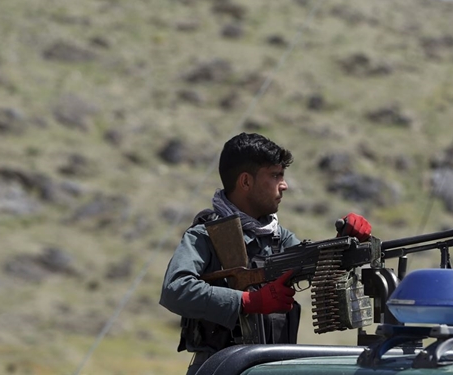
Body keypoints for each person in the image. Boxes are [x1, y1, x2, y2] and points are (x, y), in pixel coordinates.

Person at [159, 132, 372, 374]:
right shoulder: (205, 235)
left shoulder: (279, 237)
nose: (285, 185)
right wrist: (248, 302)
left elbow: (317, 265)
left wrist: (347, 241)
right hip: (221, 366)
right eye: (275, 175)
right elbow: (174, 289)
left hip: (272, 365)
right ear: (246, 182)